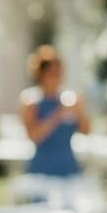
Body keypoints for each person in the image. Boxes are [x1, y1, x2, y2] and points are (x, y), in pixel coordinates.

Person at [20, 45, 90, 178]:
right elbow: (33, 136)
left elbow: (86, 130)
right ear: (41, 74)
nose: (57, 77)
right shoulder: (31, 100)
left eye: (59, 72)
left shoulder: (70, 98)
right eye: (52, 73)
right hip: (42, 169)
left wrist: (80, 112)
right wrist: (57, 115)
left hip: (68, 168)